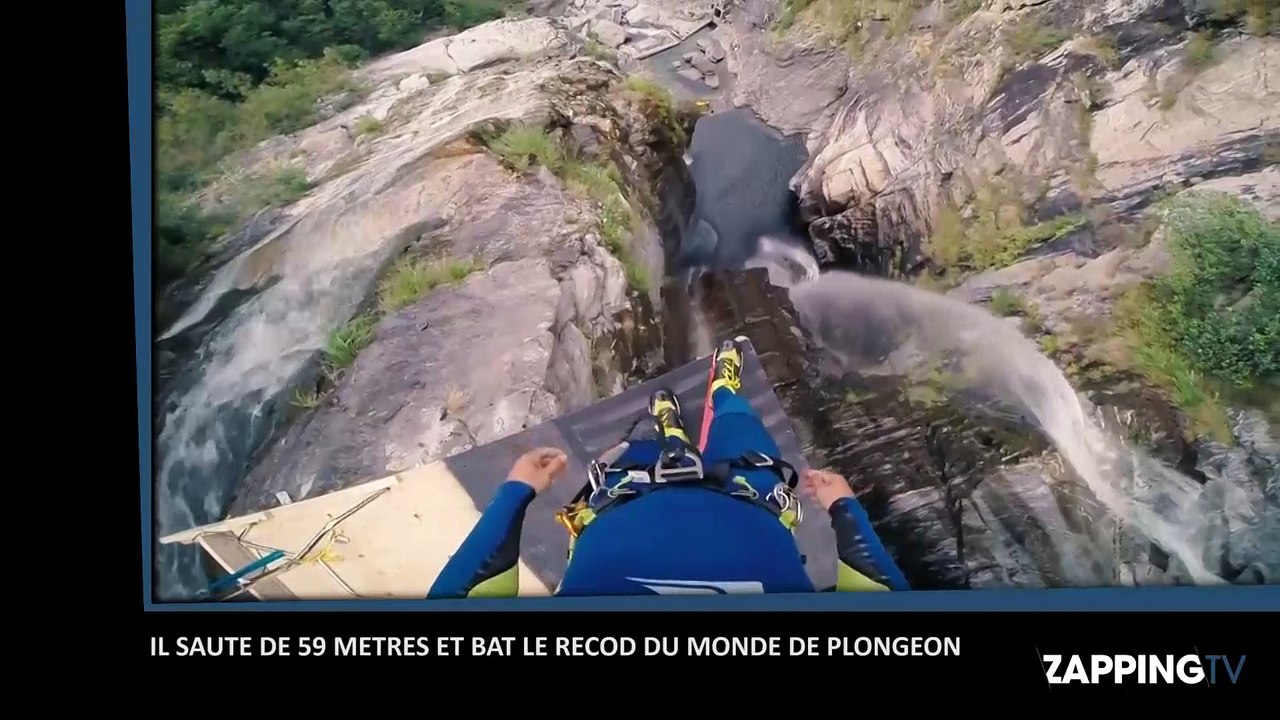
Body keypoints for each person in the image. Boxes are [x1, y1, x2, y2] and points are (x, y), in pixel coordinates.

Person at [428, 339, 911, 598]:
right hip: (748, 494)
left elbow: (462, 589)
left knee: (641, 450)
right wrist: (846, 509)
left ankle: (671, 432)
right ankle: (720, 390)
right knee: (740, 423)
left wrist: (516, 491)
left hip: (627, 497)